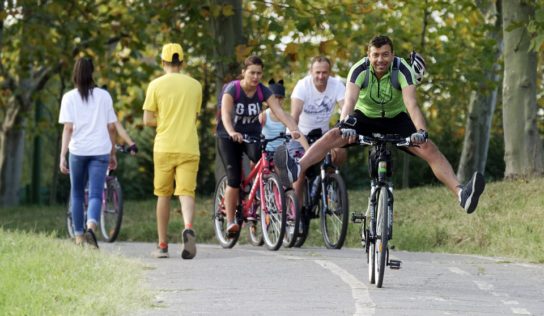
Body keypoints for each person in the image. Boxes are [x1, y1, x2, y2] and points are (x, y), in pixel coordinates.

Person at [275, 35, 486, 214]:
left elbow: (412, 104)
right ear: (369, 55)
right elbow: (348, 102)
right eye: (375, 55)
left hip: (396, 119)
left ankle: (461, 194)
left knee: (429, 147)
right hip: (365, 118)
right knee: (333, 135)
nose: (380, 59)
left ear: (392, 55)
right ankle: (297, 167)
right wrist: (344, 124)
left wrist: (421, 131)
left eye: (385, 54)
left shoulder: (403, 69)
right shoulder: (359, 70)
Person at [217, 56, 303, 235]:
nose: (255, 77)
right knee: (233, 180)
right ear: (244, 73)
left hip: (252, 135)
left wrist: (293, 129)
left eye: (259, 73)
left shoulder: (263, 90)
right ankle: (231, 221)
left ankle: (258, 198)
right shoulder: (233, 89)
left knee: (265, 164)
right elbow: (225, 114)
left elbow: (279, 111)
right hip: (228, 135)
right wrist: (232, 132)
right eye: (252, 73)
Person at [143, 43, 201, 259]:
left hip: (164, 147)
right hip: (189, 146)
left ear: (162, 62)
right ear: (182, 63)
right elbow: (194, 117)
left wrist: (164, 120)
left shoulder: (155, 85)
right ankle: (187, 226)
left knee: (163, 195)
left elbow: (147, 119)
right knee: (186, 192)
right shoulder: (195, 85)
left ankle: (162, 245)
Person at [59, 57, 118, 248]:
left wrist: (63, 155)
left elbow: (68, 128)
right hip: (100, 150)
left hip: (78, 152)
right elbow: (111, 128)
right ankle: (91, 227)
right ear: (92, 72)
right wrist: (112, 153)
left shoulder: (69, 97)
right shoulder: (104, 96)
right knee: (95, 193)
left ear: (75, 74)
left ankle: (78, 236)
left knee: (76, 194)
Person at [288, 56, 346, 204]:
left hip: (321, 135)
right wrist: (296, 136)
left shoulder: (337, 85)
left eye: (324, 72)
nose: (321, 76)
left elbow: (346, 108)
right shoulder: (302, 86)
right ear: (311, 72)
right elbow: (294, 116)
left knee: (340, 152)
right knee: (299, 171)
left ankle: (331, 183)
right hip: (299, 135)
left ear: (330, 72)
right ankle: (297, 214)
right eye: (317, 72)